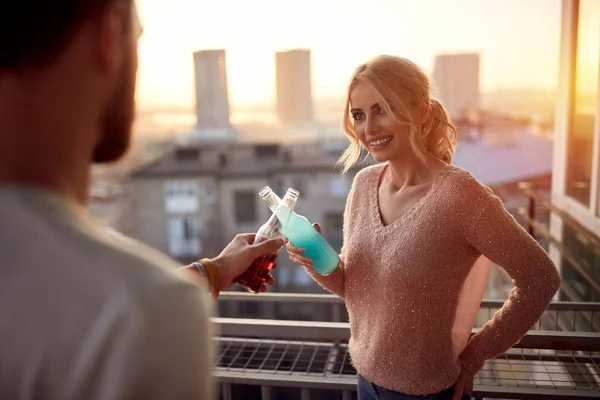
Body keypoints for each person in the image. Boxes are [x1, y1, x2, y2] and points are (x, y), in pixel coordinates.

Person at [0, 1, 283, 399]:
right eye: (137, 35)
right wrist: (167, 299)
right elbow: (119, 304)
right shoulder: (145, 312)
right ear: (107, 32)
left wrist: (215, 270)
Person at [286, 55, 561, 400]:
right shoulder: (363, 185)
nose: (368, 128)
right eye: (359, 115)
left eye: (382, 109)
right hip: (365, 382)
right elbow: (354, 286)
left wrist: (474, 357)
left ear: (421, 112)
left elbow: (541, 278)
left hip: (425, 393)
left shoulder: (459, 195)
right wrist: (316, 260)